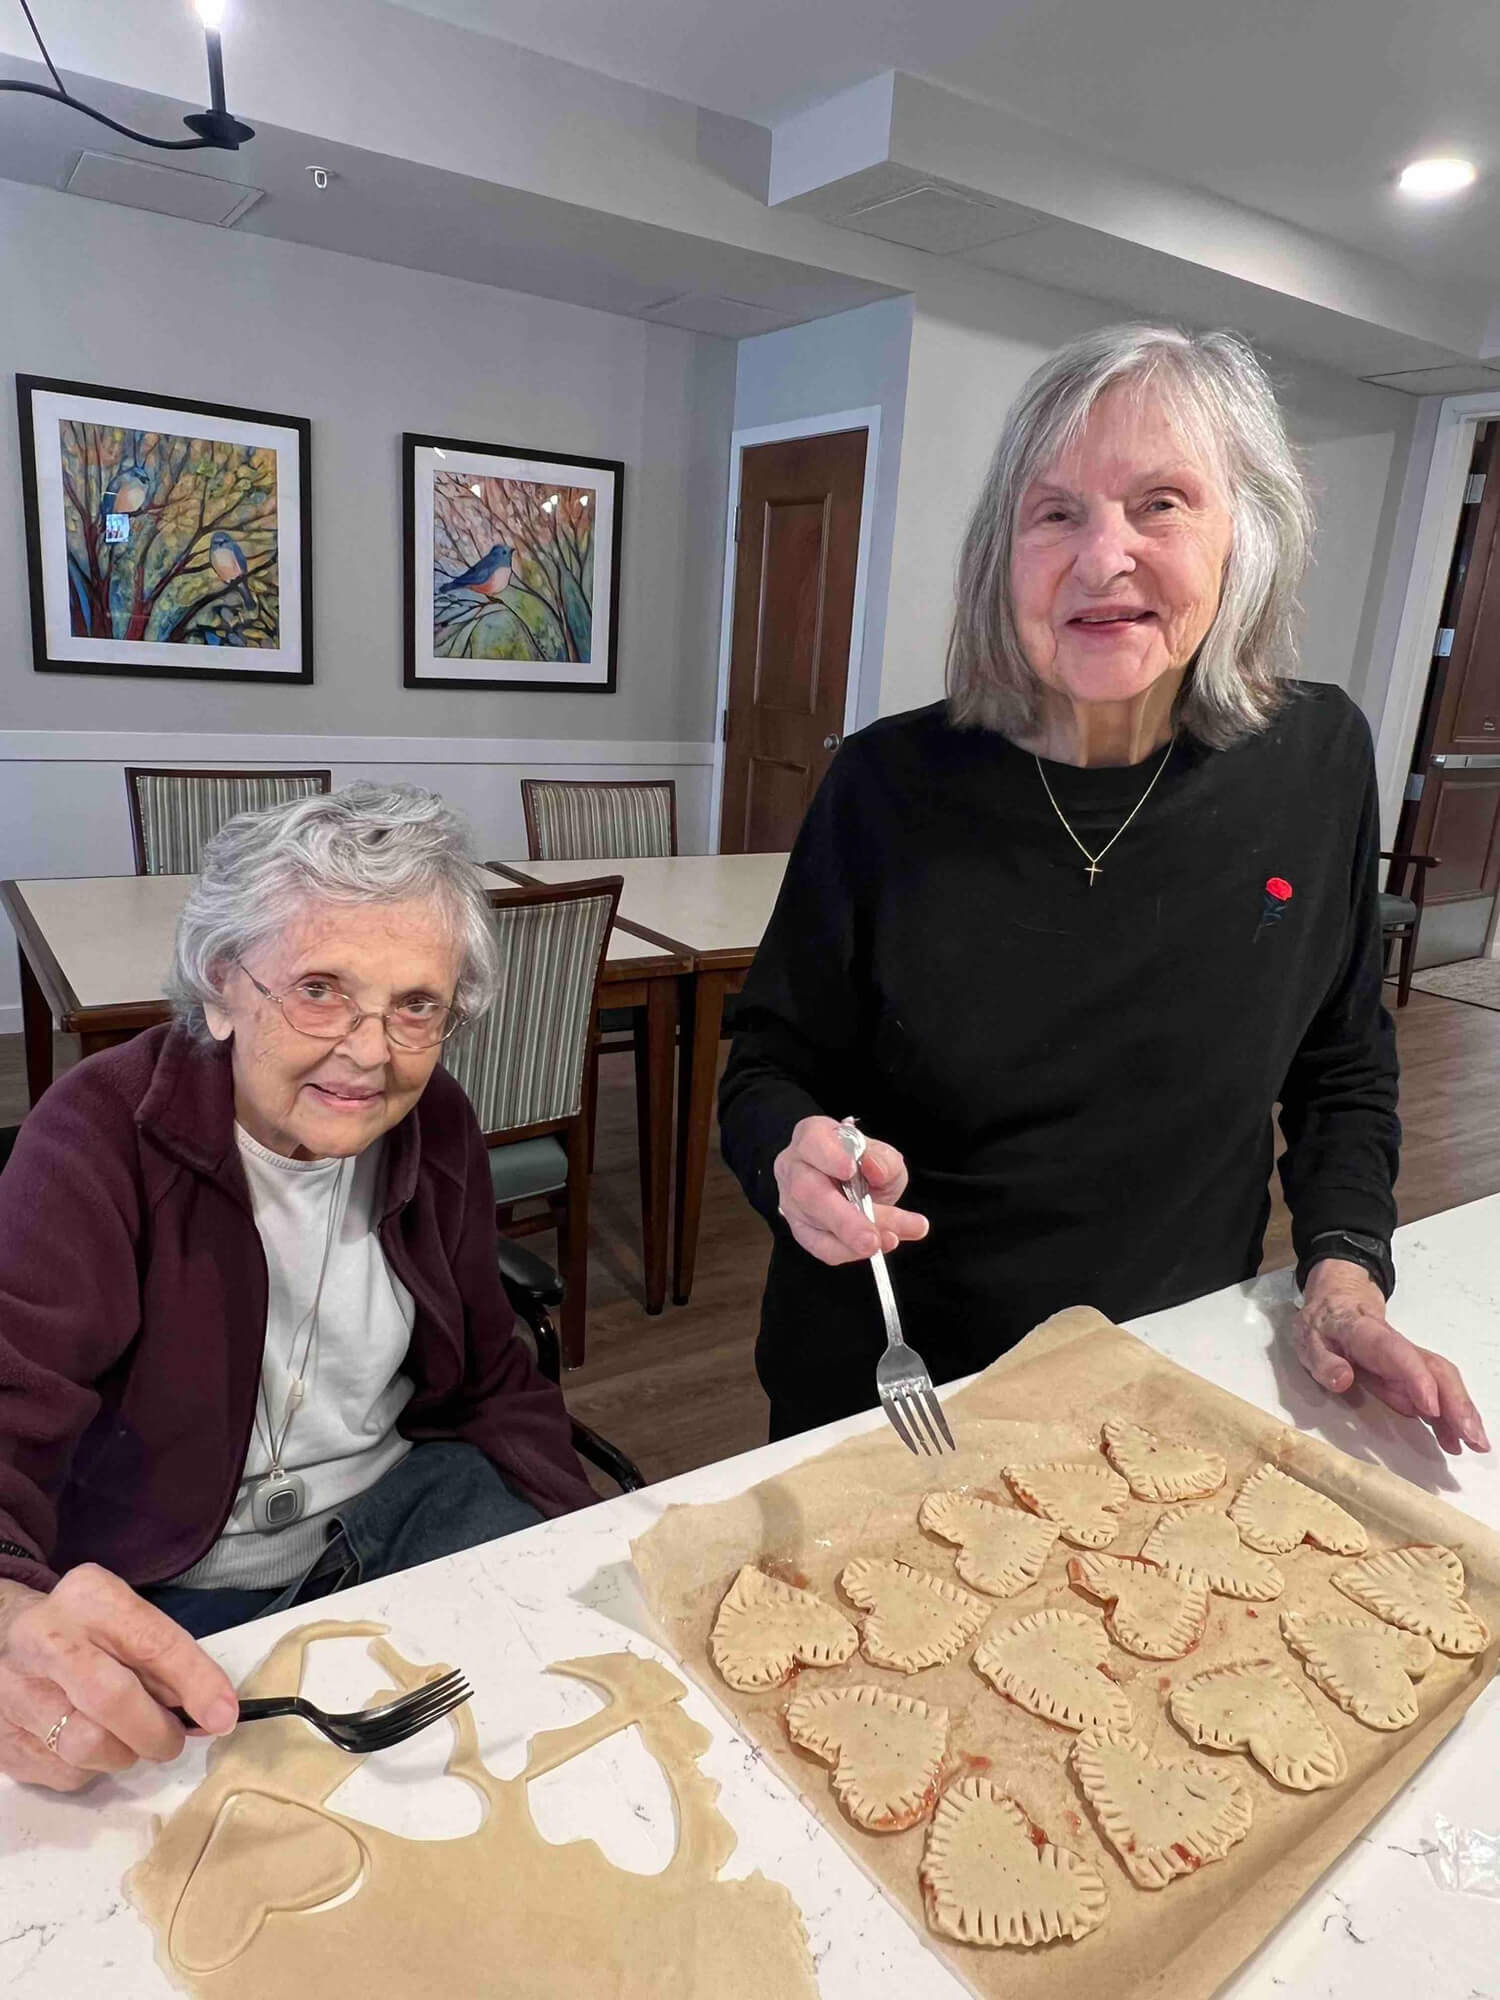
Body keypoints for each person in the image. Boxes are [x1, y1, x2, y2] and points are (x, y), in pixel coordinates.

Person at [720, 322, 1488, 1458]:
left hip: (1167, 1358)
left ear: (1247, 537)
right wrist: (790, 1154)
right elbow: (768, 1061)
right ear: (1003, 553)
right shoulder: (885, 783)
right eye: (1056, 512)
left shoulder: (1317, 757)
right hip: (898, 1377)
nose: (1103, 557)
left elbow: (1341, 1063)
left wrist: (1343, 1274)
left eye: (1161, 503)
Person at [0, 784, 596, 1793]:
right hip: (174, 1576)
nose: (371, 1051)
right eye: (320, 987)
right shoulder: (96, 1137)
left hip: (406, 1509)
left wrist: (581, 1535)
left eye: (418, 1005)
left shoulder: (434, 1120)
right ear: (223, 985)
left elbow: (492, 1373)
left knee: (564, 1737)